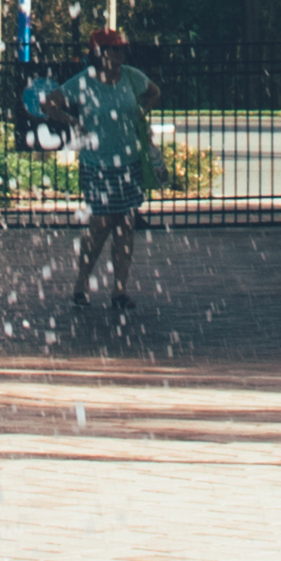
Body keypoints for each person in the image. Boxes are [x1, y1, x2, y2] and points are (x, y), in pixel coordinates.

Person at [65, 31, 157, 342]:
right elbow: (51, 102)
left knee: (125, 225)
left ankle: (120, 289)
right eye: (112, 51)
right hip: (97, 165)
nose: (119, 56)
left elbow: (154, 92)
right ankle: (81, 285)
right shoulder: (84, 81)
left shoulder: (132, 77)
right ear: (97, 53)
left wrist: (138, 115)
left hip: (127, 164)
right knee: (101, 224)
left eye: (121, 51)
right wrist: (74, 122)